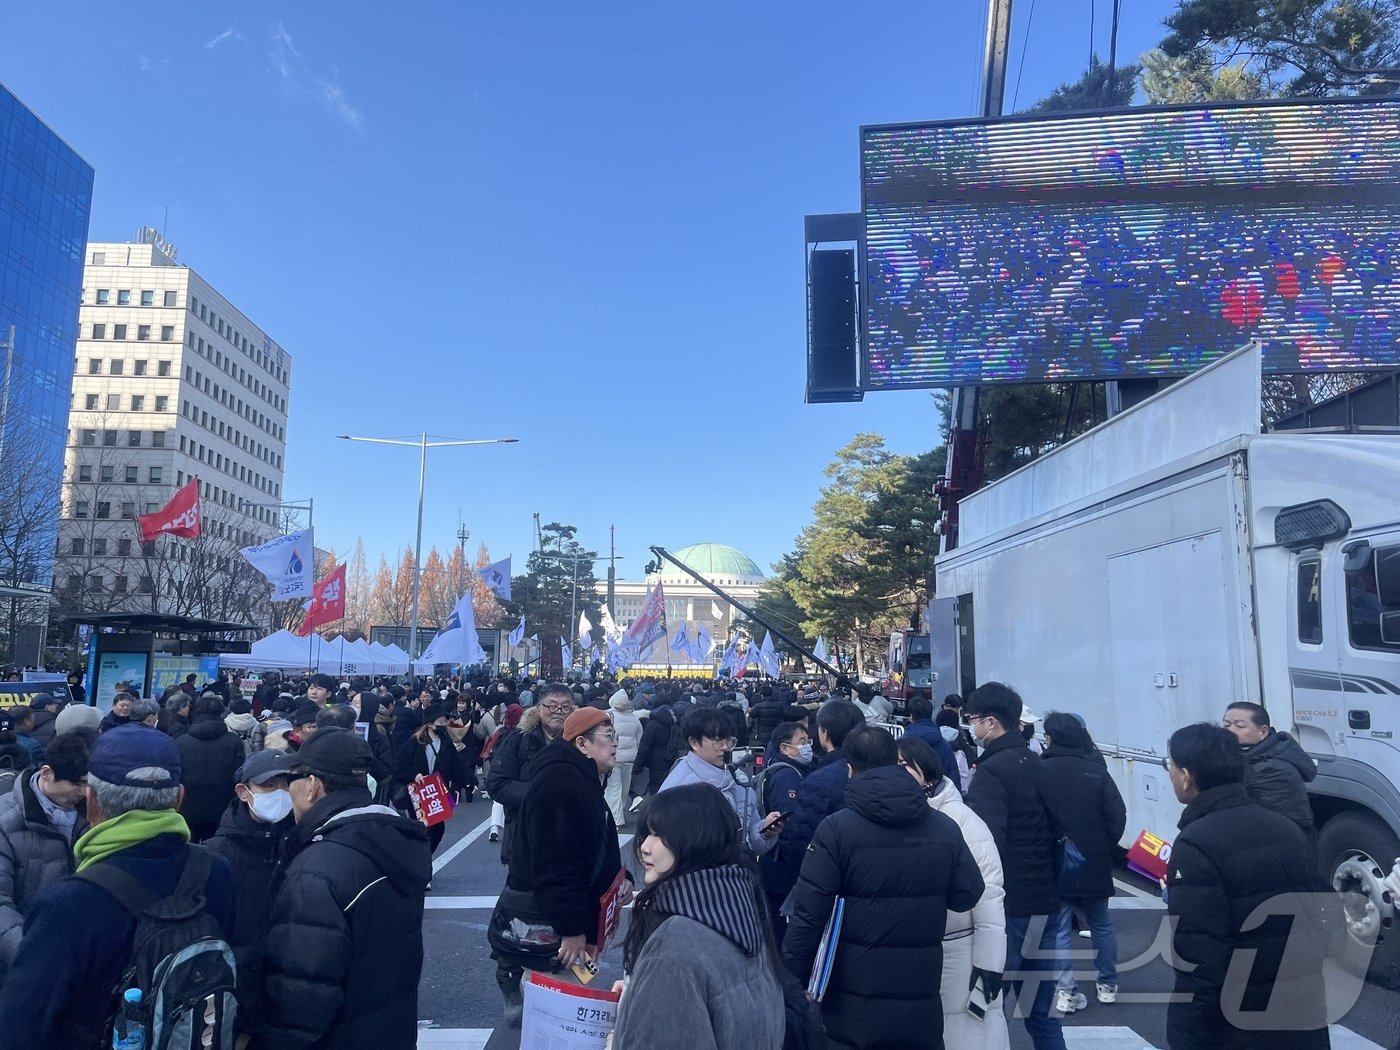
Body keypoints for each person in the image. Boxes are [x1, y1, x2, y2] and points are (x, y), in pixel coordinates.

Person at [0, 724, 235, 1048]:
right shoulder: (216, 870)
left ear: (92, 801)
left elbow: (23, 1025)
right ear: (178, 798)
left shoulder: (67, 902)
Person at [783, 725, 984, 1049]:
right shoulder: (943, 825)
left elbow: (808, 914)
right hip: (921, 993)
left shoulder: (836, 829)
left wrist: (789, 979)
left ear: (851, 769)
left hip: (851, 1002)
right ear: (896, 762)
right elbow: (967, 894)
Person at [257, 728, 432, 1050]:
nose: (286, 790)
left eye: (290, 780)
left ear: (312, 786)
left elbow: (302, 992)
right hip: (389, 1031)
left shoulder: (319, 868)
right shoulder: (387, 843)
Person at [1164, 723, 1331, 1050]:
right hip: (1303, 1007)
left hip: (1239, 1024)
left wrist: (1185, 1038)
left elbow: (1200, 964)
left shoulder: (1196, 844)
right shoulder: (1284, 826)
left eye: (1169, 766)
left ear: (1186, 776)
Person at [611, 783, 785, 1049]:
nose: (645, 846)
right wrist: (639, 996)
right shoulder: (741, 905)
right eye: (646, 834)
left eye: (659, 835)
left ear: (695, 842)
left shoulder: (673, 946)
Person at [497, 707, 627, 1027]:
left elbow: (592, 846)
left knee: (571, 999)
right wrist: (571, 929)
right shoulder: (560, 781)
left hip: (573, 916)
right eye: (609, 738)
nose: (615, 745)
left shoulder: (578, 775)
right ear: (582, 744)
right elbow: (556, 864)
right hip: (555, 924)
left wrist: (620, 880)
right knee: (557, 1013)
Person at [964, 683, 1066, 1050]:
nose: (972, 728)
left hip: (1008, 909)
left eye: (973, 721)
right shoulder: (1037, 763)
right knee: (1041, 1013)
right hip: (1046, 901)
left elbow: (984, 845)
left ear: (991, 723)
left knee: (989, 1010)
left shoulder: (992, 772)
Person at [897, 734, 1009, 1050]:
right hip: (922, 959)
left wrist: (988, 970)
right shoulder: (903, 818)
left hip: (962, 960)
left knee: (969, 1036)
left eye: (905, 766)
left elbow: (989, 901)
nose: (898, 773)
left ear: (928, 772)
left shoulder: (963, 822)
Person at [203, 749, 295, 1040]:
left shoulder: (302, 838)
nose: (280, 794)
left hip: (290, 978)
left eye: (286, 785)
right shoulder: (218, 852)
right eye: (268, 786)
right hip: (239, 982)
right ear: (244, 792)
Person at [1039, 712, 1126, 1013]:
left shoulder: (1041, 770)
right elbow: (1117, 816)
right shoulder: (1096, 771)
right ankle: (1107, 985)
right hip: (1094, 858)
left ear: (1050, 738)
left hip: (1056, 858)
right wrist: (1103, 844)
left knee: (1060, 928)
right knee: (1101, 923)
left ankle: (1066, 991)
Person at [0, 730, 93, 983]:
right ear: (47, 774)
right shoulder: (6, 823)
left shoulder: (96, 813)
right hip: (25, 960)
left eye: (90, 784)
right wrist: (33, 956)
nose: (86, 792)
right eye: (79, 783)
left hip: (81, 952)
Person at [769, 699, 866, 926]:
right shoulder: (877, 769)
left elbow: (799, 839)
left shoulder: (820, 779)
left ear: (824, 733)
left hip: (825, 885)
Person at [658, 707, 780, 857]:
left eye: (729, 740)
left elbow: (748, 842)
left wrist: (764, 831)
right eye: (717, 741)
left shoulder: (739, 779)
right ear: (694, 743)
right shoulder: (679, 787)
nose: (725, 747)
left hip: (739, 875)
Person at [486, 682, 574, 862]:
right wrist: (543, 793)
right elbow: (496, 784)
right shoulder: (519, 739)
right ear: (539, 708)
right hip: (525, 836)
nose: (558, 711)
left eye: (565, 707)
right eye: (552, 705)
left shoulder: (580, 741)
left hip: (570, 836)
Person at [1222, 702, 1317, 843]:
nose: (1230, 731)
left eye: (1239, 726)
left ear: (1263, 732)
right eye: (1226, 725)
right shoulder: (1248, 758)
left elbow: (1266, 824)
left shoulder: (1272, 770)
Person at [757, 721, 811, 937]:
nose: (807, 746)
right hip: (780, 863)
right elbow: (788, 820)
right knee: (780, 923)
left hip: (774, 859)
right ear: (785, 748)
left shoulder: (787, 769)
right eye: (802, 742)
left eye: (808, 741)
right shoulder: (786, 776)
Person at [394, 702, 468, 853]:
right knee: (420, 827)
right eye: (440, 721)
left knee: (438, 829)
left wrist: (469, 781)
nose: (444, 724)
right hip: (418, 792)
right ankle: (419, 859)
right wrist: (414, 774)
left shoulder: (446, 741)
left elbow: (457, 765)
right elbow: (400, 765)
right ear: (429, 723)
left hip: (437, 791)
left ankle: (424, 856)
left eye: (445, 721)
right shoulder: (416, 741)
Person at [176, 694, 247, 842]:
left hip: (188, 805)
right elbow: (240, 773)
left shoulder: (181, 741)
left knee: (189, 847)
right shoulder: (234, 741)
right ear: (221, 712)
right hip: (223, 805)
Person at [902, 696, 962, 790]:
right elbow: (953, 774)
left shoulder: (901, 745)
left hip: (910, 797)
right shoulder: (943, 744)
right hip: (941, 797)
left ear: (911, 716)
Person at [607, 686, 643, 827]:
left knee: (613, 788)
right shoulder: (635, 719)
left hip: (613, 757)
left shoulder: (608, 716)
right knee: (624, 789)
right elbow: (640, 740)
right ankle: (619, 813)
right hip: (630, 759)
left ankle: (616, 818)